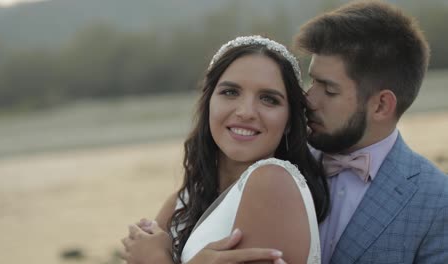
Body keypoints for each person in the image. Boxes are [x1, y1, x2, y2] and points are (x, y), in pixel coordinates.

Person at [120, 35, 330, 264]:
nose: (246, 112)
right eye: (230, 92)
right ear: (209, 101)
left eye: (269, 99)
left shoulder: (272, 183)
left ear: (289, 120)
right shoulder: (184, 201)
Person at [295, 1, 448, 263]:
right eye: (312, 81)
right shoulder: (282, 162)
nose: (309, 99)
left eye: (329, 90)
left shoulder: (438, 201)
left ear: (381, 105)